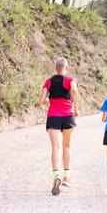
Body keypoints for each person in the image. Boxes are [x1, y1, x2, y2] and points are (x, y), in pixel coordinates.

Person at [38, 57, 79, 196]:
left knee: (55, 147)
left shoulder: (48, 81)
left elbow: (41, 101)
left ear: (55, 68)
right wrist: (76, 108)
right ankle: (67, 177)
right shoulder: (70, 80)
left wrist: (49, 97)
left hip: (53, 116)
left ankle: (56, 176)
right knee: (66, 146)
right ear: (66, 68)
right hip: (68, 116)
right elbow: (74, 91)